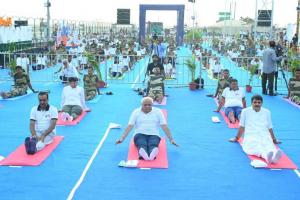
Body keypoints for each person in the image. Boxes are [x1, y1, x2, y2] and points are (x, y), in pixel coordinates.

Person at [229, 95, 282, 164]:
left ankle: (275, 157)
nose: (257, 104)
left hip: (264, 134)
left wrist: (274, 139)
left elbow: (270, 127)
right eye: (255, 102)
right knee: (256, 147)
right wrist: (236, 138)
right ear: (251, 103)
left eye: (259, 102)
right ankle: (266, 157)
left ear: (262, 103)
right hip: (251, 135)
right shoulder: (245, 111)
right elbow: (242, 126)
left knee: (269, 145)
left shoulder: (267, 112)